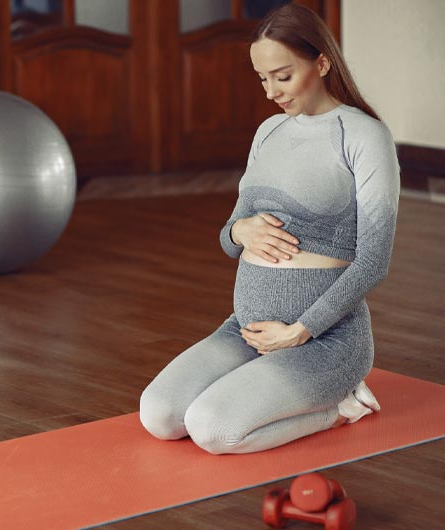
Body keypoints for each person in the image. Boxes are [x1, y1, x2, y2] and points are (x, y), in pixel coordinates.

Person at [139, 3, 399, 454]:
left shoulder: (364, 136)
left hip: (323, 340)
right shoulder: (269, 132)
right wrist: (240, 232)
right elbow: (229, 237)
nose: (271, 92)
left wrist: (300, 330)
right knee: (159, 415)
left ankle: (343, 404)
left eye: (283, 76)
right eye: (262, 78)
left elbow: (374, 262)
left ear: (322, 63)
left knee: (213, 429)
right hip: (246, 329)